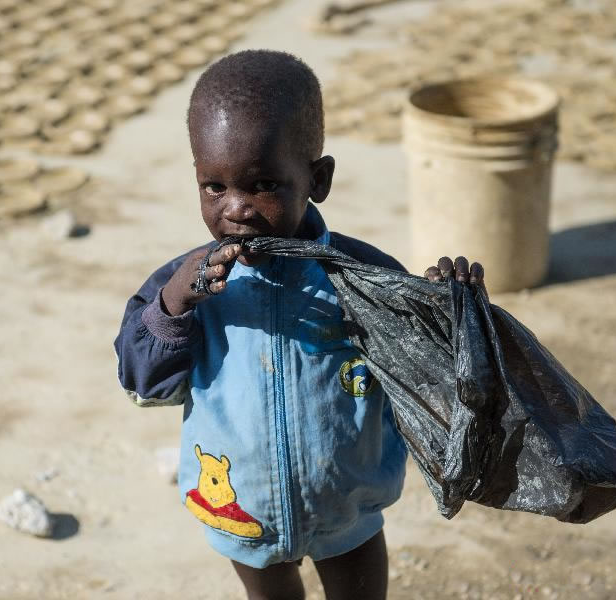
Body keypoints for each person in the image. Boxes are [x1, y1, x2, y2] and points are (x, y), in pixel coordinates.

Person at [114, 50, 483, 600]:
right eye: (214, 187)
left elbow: (434, 385)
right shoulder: (188, 284)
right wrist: (172, 307)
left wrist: (451, 313)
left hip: (349, 512)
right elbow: (143, 385)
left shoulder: (363, 278)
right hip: (240, 509)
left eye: (262, 184)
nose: (235, 209)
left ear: (317, 179)